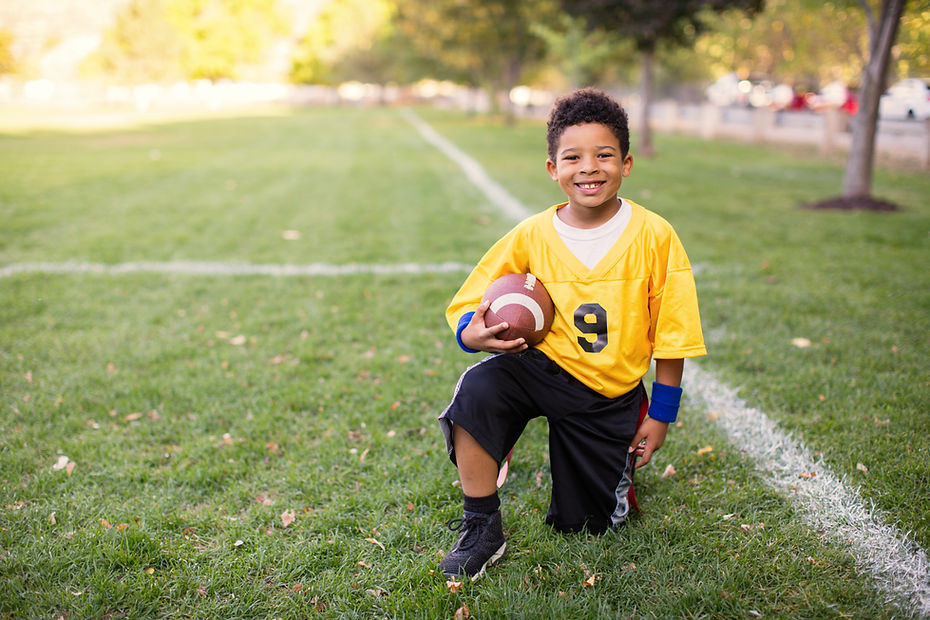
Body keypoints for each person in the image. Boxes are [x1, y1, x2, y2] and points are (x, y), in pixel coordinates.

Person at [437, 88, 706, 580]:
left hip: (608, 392)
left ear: (626, 164)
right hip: (541, 370)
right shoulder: (531, 235)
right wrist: (472, 336)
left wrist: (662, 415)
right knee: (477, 388)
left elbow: (675, 334)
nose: (589, 168)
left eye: (604, 155)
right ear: (552, 169)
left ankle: (610, 475)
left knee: (585, 528)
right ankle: (481, 525)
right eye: (573, 157)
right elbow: (469, 303)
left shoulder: (654, 236)